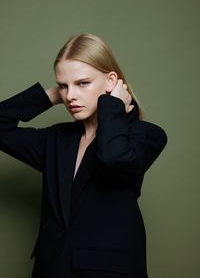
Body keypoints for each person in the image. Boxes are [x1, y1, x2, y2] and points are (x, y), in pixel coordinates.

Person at [0, 33, 167, 278]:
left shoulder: (146, 134)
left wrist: (113, 106)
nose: (70, 96)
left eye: (82, 83)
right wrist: (51, 95)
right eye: (64, 85)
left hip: (108, 271)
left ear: (111, 81)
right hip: (52, 267)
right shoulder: (56, 139)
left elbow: (114, 157)